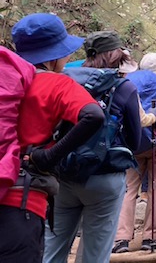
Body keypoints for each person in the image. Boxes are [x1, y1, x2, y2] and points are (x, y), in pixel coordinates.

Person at [1, 14, 104, 263]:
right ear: (53, 56)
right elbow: (93, 115)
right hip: (21, 204)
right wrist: (49, 156)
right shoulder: (56, 84)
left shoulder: (4, 81)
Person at [43, 31, 142, 263]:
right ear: (118, 56)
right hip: (104, 178)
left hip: (64, 173)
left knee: (51, 249)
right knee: (94, 255)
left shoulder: (67, 80)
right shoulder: (125, 88)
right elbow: (135, 142)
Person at [113, 53, 156, 253]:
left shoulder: (128, 84)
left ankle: (122, 238)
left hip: (133, 144)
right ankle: (150, 237)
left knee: (128, 189)